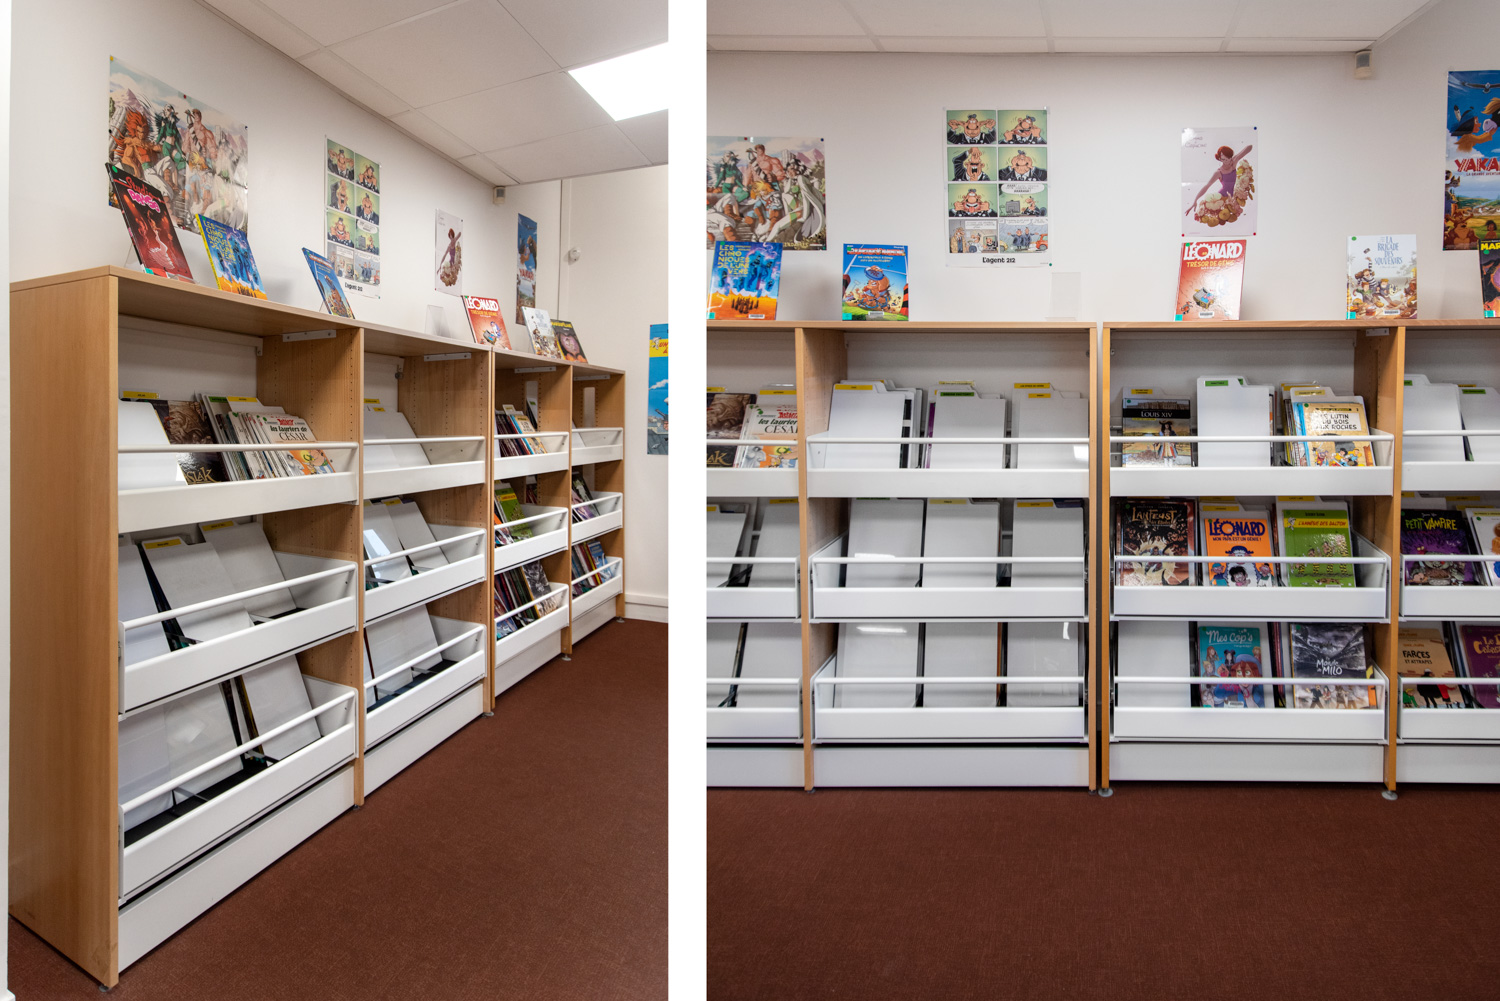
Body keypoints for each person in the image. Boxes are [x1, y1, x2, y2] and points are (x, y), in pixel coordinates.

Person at [1186, 143, 1252, 218]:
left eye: (1228, 158)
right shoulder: (1218, 172)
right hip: (1221, 198)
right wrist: (1195, 201)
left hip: (1233, 197)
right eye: (1223, 159)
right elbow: (1206, 186)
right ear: (1220, 159)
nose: (1227, 161)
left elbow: (1249, 147)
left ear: (1231, 157)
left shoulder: (1234, 161)